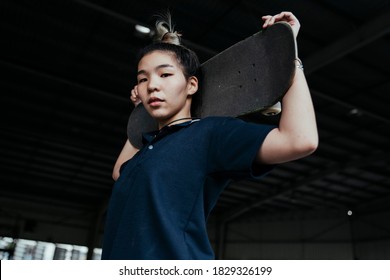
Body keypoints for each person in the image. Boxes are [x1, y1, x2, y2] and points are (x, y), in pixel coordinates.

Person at [101, 11, 318, 260]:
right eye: (143, 79)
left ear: (191, 85)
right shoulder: (148, 149)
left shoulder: (208, 133)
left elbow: (300, 140)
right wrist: (139, 117)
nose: (152, 85)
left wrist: (289, 56)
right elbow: (120, 173)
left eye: (165, 74)